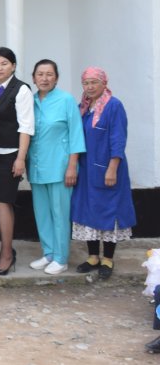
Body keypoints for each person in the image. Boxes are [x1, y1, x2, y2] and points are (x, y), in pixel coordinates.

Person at [71, 67, 136, 280]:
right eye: (86, 83)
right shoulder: (84, 108)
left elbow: (118, 138)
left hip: (108, 168)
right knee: (89, 211)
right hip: (87, 170)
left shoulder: (113, 106)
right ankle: (93, 257)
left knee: (109, 211)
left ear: (104, 83)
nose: (89, 87)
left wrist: (112, 167)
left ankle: (107, 259)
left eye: (94, 82)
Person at [28, 59, 85, 276]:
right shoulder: (30, 101)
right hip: (36, 166)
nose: (44, 78)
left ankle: (61, 258)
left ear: (56, 78)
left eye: (49, 74)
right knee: (42, 213)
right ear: (34, 78)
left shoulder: (66, 100)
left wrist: (72, 166)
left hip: (60, 167)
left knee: (60, 214)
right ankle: (49, 252)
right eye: (40, 74)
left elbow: (76, 133)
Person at [0, 47, 34, 276]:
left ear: (13, 66)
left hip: (10, 154)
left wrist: (20, 158)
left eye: (4, 63)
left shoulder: (21, 89)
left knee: (2, 203)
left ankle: (6, 254)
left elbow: (26, 127)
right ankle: (5, 249)